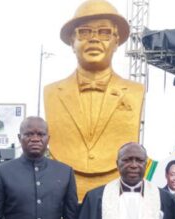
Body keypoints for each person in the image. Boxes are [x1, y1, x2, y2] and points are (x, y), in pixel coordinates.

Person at [43, 0, 143, 199]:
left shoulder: (135, 91)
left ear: (116, 41)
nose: (94, 39)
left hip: (114, 191)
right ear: (72, 41)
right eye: (85, 32)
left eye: (104, 32)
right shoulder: (52, 92)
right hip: (66, 192)